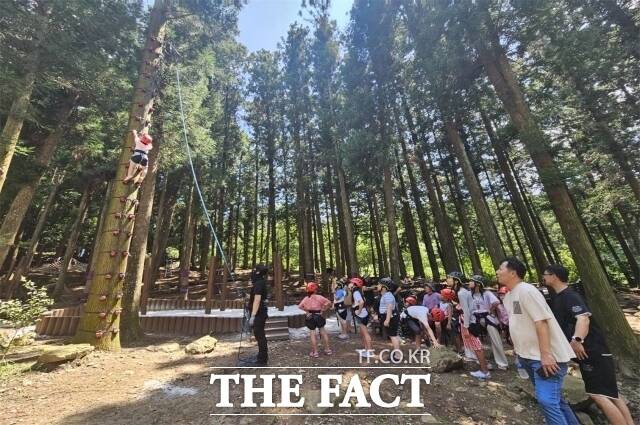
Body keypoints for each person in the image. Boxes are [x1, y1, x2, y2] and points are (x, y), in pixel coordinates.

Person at [543, 264, 634, 425]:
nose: (543, 277)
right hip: (593, 352)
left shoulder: (570, 296)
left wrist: (577, 340)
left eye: (546, 274)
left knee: (597, 394)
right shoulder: (559, 298)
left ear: (554, 276)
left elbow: (583, 318)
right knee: (612, 393)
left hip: (592, 351)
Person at [497, 257, 579, 425]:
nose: (497, 272)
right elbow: (520, 320)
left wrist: (546, 354)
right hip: (527, 356)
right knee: (556, 401)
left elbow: (541, 321)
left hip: (544, 358)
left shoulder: (527, 291)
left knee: (547, 401)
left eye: (500, 269)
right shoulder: (511, 295)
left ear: (513, 273)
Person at [448, 271, 491, 379]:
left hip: (469, 322)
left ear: (456, 281)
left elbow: (466, 311)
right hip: (469, 321)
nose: (447, 280)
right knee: (476, 346)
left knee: (477, 346)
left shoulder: (461, 293)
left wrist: (466, 327)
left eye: (450, 278)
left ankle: (485, 371)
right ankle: (484, 368)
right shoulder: (464, 292)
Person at [469, 275, 509, 370]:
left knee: (496, 340)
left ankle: (502, 363)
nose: (469, 283)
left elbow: (496, 302)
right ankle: (483, 362)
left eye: (472, 281)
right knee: (475, 341)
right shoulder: (470, 294)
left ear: (478, 284)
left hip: (487, 317)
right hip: (475, 318)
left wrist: (490, 310)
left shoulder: (487, 293)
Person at [298, 282, 333, 358]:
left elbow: (300, 306)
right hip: (318, 316)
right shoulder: (319, 297)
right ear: (315, 290)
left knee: (312, 334)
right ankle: (327, 349)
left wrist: (307, 311)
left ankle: (315, 352)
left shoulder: (306, 298)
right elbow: (329, 303)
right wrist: (323, 309)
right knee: (323, 332)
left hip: (310, 317)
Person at [246, 264, 269, 365]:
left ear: (258, 272)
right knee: (259, 335)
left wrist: (253, 316)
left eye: (254, 270)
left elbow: (257, 299)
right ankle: (261, 356)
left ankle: (262, 360)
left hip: (259, 314)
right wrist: (245, 295)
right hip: (259, 312)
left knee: (260, 335)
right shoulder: (259, 283)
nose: (253, 272)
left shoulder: (259, 283)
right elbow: (255, 296)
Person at [376, 278, 402, 361]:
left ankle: (397, 356)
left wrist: (387, 320)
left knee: (393, 336)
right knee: (394, 335)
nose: (377, 286)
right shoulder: (386, 295)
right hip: (391, 316)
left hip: (391, 317)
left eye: (379, 284)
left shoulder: (387, 295)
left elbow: (389, 307)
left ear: (384, 287)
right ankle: (397, 352)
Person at [349, 277, 373, 358]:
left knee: (365, 333)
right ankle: (366, 349)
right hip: (363, 313)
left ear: (354, 284)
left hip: (361, 314)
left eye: (351, 283)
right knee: (363, 333)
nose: (349, 284)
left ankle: (369, 351)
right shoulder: (358, 291)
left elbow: (361, 302)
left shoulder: (356, 292)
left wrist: (358, 311)